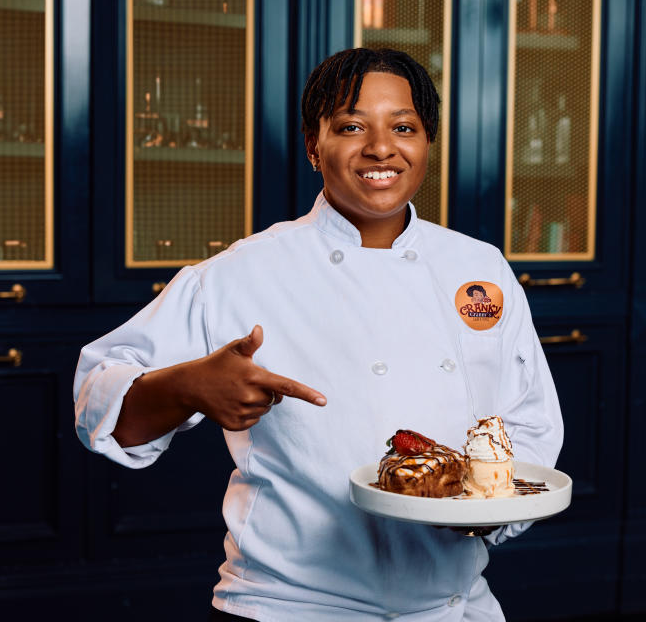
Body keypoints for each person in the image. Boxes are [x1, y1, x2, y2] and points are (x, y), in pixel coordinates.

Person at [74, 47, 563, 621]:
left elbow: (528, 418)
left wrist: (486, 509)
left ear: (427, 142)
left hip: (454, 606)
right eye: (351, 126)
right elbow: (98, 403)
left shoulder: (479, 268)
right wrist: (188, 386)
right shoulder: (239, 274)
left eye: (403, 127)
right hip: (289, 608)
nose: (381, 148)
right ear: (314, 146)